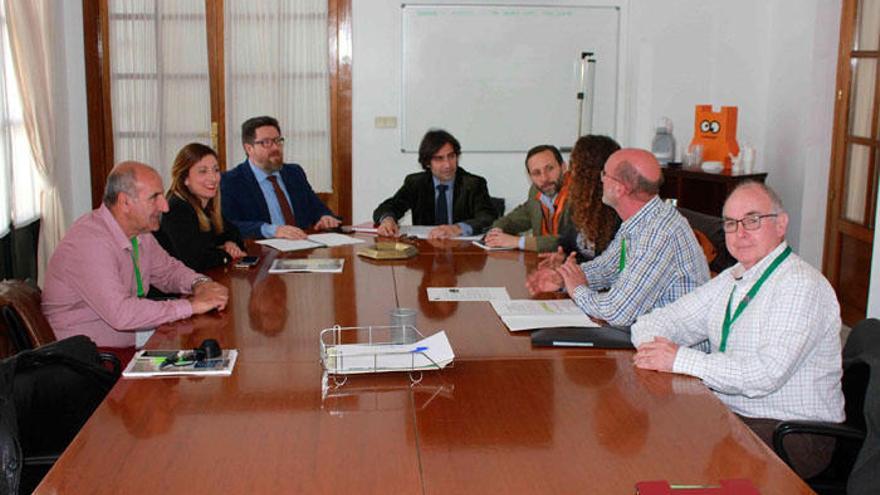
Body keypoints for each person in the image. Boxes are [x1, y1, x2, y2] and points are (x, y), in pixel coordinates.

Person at [631, 181, 843, 478]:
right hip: (733, 412)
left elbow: (765, 375)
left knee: (678, 459)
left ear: (781, 225)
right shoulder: (734, 277)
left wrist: (678, 358)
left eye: (753, 220)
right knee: (654, 438)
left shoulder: (799, 285)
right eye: (731, 224)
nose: (740, 233)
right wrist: (652, 348)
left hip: (791, 432)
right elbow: (659, 320)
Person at [42, 162, 230, 363]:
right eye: (154, 198)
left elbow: (168, 271)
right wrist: (190, 306)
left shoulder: (139, 232)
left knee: (208, 358)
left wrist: (200, 283)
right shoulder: (90, 242)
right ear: (125, 202)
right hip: (87, 361)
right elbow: (121, 314)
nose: (165, 206)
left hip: (124, 341)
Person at [526, 148, 709, 326]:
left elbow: (617, 312)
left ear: (620, 189)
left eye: (604, 174)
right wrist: (562, 278)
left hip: (669, 348)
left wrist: (577, 290)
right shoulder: (640, 220)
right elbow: (607, 268)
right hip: (647, 336)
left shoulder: (659, 233)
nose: (601, 180)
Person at [221, 115, 341, 239]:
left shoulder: (294, 173)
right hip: (262, 252)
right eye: (266, 142)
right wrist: (271, 230)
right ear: (249, 148)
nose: (275, 147)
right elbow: (228, 226)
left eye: (278, 141)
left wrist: (325, 216)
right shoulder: (231, 181)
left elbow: (316, 207)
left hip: (302, 247)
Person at [373, 129, 497, 239]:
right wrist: (388, 220)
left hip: (462, 253)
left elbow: (487, 218)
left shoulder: (473, 184)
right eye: (439, 158)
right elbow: (389, 207)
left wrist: (457, 228)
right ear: (427, 162)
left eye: (451, 156)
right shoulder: (416, 183)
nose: (448, 164)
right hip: (426, 250)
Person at [155, 143, 246, 272]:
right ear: (185, 178)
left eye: (216, 170)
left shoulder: (205, 204)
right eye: (203, 171)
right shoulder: (176, 209)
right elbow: (194, 261)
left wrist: (230, 243)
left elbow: (234, 233)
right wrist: (227, 255)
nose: (213, 178)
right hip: (175, 290)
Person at [482, 144, 575, 252]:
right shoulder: (536, 191)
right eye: (536, 173)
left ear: (563, 167)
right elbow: (516, 218)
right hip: (545, 262)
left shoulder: (578, 194)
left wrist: (518, 242)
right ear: (530, 176)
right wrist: (496, 231)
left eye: (550, 169)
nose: (544, 178)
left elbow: (569, 241)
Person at [553, 135, 621, 262]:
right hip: (577, 278)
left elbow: (612, 266)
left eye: (574, 166)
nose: (570, 171)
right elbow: (564, 244)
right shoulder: (574, 201)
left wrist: (575, 266)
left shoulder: (620, 210)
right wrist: (562, 258)